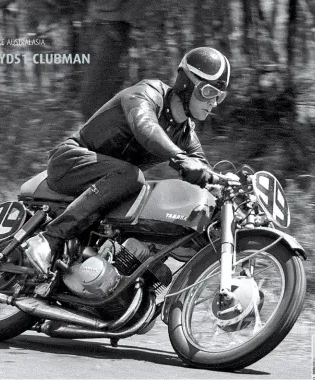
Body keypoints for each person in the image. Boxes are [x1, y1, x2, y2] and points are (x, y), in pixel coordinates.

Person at [22, 47, 231, 275]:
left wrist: (226, 187)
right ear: (186, 83)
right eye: (209, 92)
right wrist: (180, 158)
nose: (214, 102)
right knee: (133, 177)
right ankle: (47, 240)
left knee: (143, 206)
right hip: (70, 162)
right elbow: (145, 127)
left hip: (108, 184)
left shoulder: (184, 133)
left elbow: (204, 169)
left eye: (220, 96)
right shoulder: (147, 93)